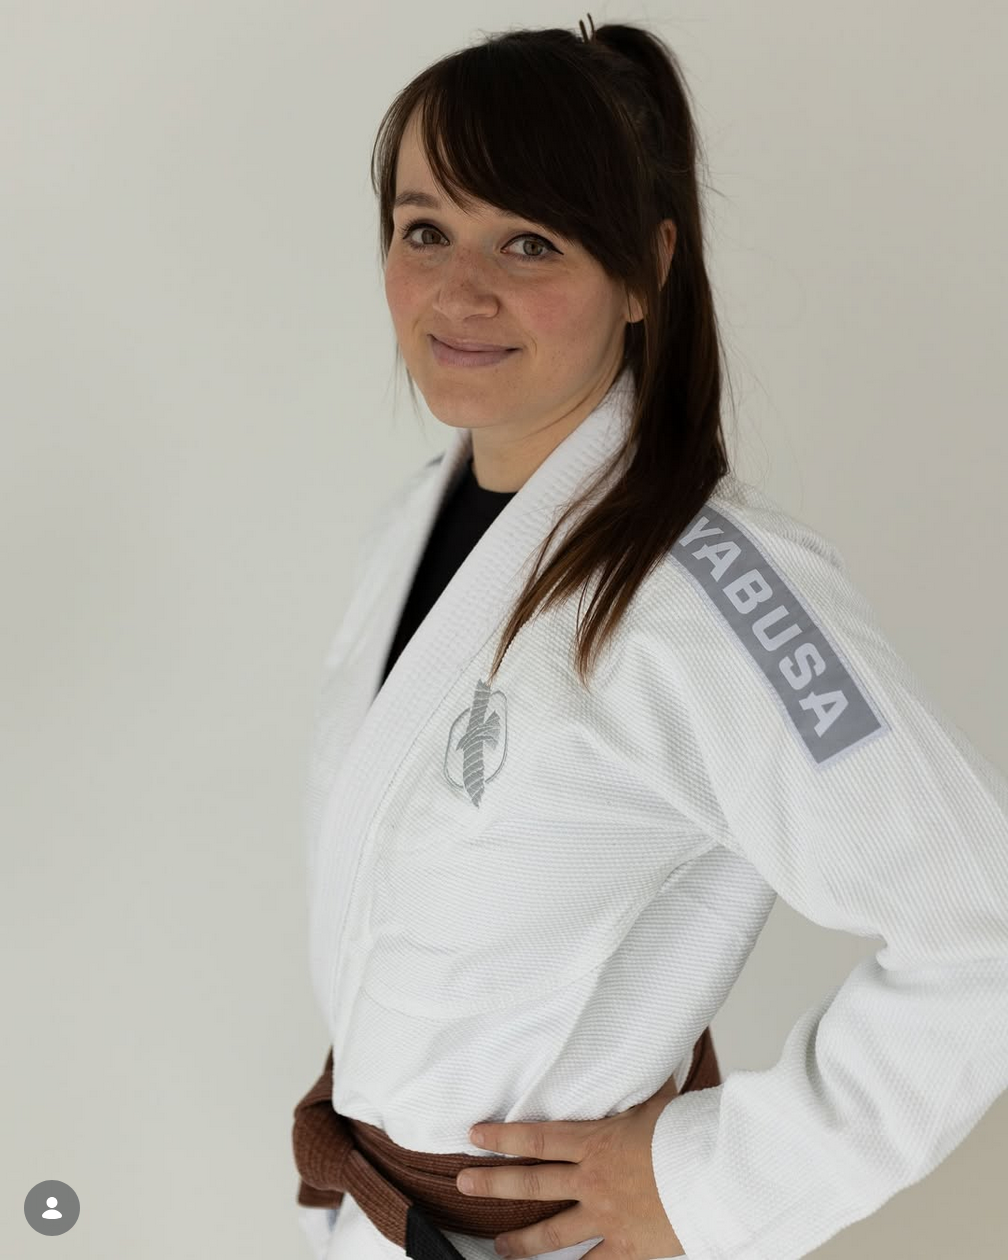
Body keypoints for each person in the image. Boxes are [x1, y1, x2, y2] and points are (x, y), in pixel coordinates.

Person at [293, 14, 1008, 1260]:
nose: (459, 290)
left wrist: (708, 1185)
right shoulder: (418, 521)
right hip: (376, 1216)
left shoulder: (705, 596)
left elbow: (983, 930)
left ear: (644, 270)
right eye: (425, 230)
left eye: (530, 241)